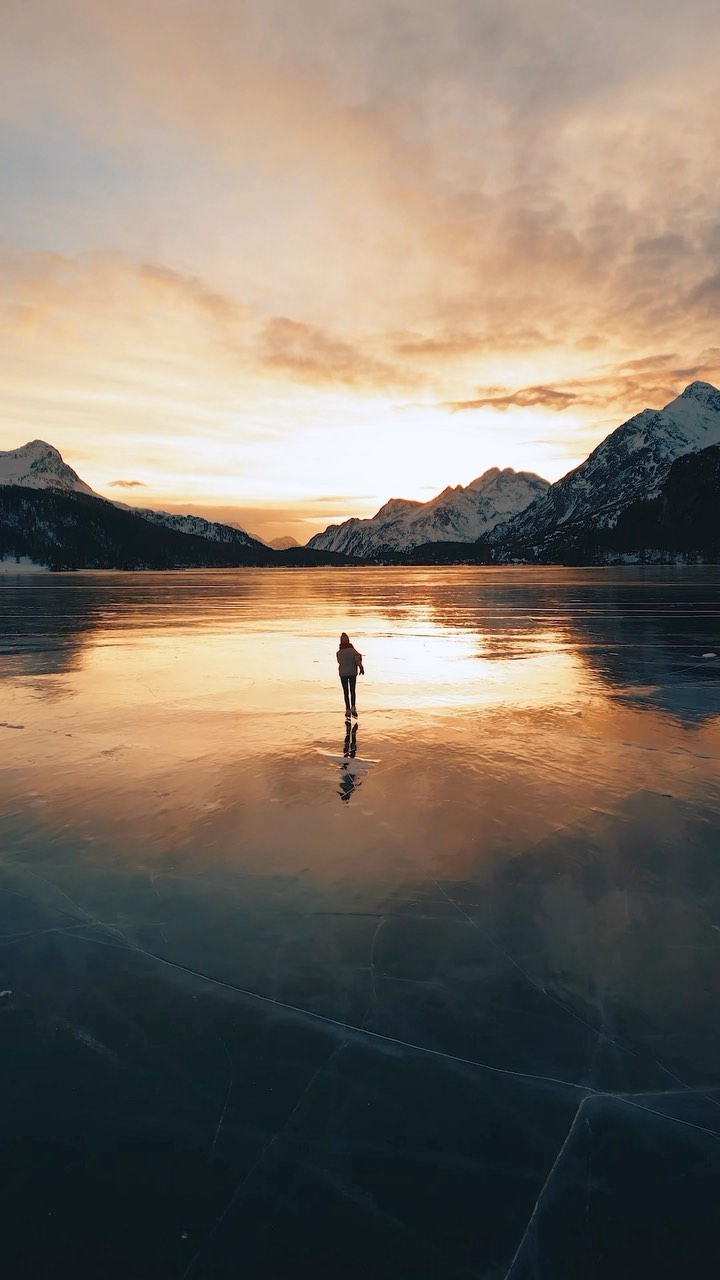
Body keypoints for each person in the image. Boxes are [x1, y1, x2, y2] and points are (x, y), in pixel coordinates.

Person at [336, 631, 363, 718]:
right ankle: (353, 707)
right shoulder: (353, 651)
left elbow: (339, 662)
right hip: (352, 672)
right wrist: (361, 667)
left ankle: (347, 709)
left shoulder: (339, 653)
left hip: (343, 673)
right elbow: (357, 659)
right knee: (352, 690)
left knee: (345, 692)